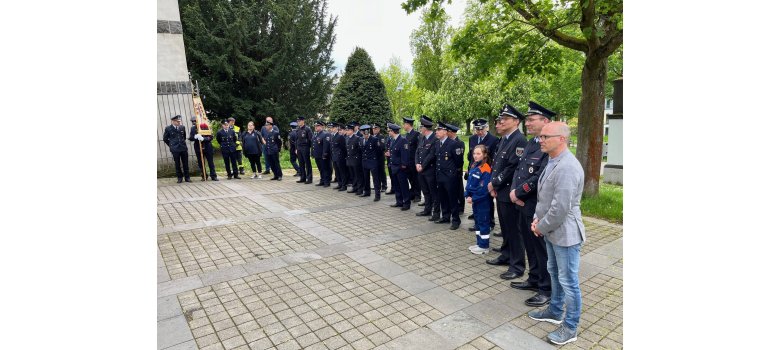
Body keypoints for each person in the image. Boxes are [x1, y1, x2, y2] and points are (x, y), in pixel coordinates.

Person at [527, 121, 586, 346]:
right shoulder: (553, 160)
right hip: (552, 229)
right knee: (554, 271)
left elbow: (561, 207)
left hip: (566, 234)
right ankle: (554, 310)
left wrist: (540, 227)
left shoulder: (568, 166)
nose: (540, 140)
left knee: (569, 280)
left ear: (561, 139)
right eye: (540, 136)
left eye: (545, 137)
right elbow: (545, 197)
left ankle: (570, 327)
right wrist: (536, 218)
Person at [509, 101, 555, 307]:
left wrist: (518, 192)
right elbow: (521, 171)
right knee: (530, 244)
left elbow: (539, 176)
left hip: (536, 204)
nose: (527, 123)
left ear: (545, 121)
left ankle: (546, 289)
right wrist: (514, 193)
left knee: (541, 248)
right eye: (526, 119)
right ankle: (534, 278)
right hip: (523, 204)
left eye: (531, 119)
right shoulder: (532, 142)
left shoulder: (548, 144)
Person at [485, 104, 528, 280]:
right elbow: (497, 164)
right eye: (500, 118)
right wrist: (494, 184)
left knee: (514, 229)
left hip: (509, 189)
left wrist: (495, 183)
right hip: (500, 190)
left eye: (505, 119)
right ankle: (506, 254)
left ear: (516, 121)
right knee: (505, 226)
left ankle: (517, 266)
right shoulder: (505, 138)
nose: (501, 121)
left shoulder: (519, 140)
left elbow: (512, 166)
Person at [467, 118, 498, 229]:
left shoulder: (493, 140)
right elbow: (471, 157)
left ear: (486, 128)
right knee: (475, 196)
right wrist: (469, 170)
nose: (479, 132)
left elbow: (494, 158)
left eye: (481, 129)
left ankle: (490, 222)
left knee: (487, 199)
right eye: (477, 129)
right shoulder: (472, 139)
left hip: (486, 172)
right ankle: (478, 222)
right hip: (475, 172)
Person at [434, 122, 463, 230]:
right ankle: (445, 216)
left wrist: (453, 173)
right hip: (440, 175)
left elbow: (459, 162)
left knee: (452, 198)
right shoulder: (437, 143)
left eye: (439, 130)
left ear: (446, 131)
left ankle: (456, 220)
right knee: (443, 197)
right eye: (436, 130)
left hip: (450, 176)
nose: (436, 132)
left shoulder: (453, 144)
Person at [464, 145, 492, 254]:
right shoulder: (474, 165)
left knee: (483, 222)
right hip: (475, 200)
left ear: (484, 155)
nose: (475, 156)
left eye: (478, 154)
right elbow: (470, 183)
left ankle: (484, 247)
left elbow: (484, 188)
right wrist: (467, 194)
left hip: (482, 201)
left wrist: (473, 197)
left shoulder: (486, 168)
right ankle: (479, 243)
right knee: (478, 222)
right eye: (474, 153)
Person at [415, 116, 438, 219]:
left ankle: (435, 211)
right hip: (421, 170)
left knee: (433, 192)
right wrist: (417, 163)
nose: (420, 129)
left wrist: (422, 166)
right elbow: (417, 152)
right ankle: (427, 209)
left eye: (421, 127)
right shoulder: (421, 137)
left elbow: (431, 155)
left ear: (425, 128)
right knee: (425, 191)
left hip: (430, 170)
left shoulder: (435, 139)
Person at [386, 123, 411, 210]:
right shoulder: (393, 140)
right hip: (394, 166)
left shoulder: (402, 140)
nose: (388, 132)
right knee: (396, 185)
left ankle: (406, 203)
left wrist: (404, 165)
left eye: (389, 131)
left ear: (393, 131)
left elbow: (405, 154)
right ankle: (399, 201)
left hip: (400, 168)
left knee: (403, 186)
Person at [189, 116, 218, 181]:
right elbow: (190, 138)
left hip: (207, 147)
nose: (194, 123)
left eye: (195, 121)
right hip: (198, 147)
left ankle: (213, 175)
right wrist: (195, 137)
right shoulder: (193, 128)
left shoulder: (205, 127)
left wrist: (203, 139)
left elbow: (210, 137)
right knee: (201, 163)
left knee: (210, 162)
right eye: (192, 122)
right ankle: (204, 175)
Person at [163, 115, 191, 183]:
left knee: (185, 163)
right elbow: (165, 138)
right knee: (177, 164)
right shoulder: (168, 128)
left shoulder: (182, 127)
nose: (179, 122)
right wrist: (171, 145)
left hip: (183, 148)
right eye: (177, 121)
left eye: (179, 121)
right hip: (175, 149)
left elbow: (183, 137)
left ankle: (187, 177)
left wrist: (181, 143)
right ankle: (179, 177)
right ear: (173, 121)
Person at [359, 124, 382, 201]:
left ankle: (377, 195)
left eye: (366, 134)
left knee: (376, 179)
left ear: (368, 133)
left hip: (373, 161)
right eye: (363, 134)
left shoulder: (374, 139)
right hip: (365, 161)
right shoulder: (361, 139)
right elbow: (362, 151)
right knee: (366, 178)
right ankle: (367, 192)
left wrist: (376, 161)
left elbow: (379, 151)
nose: (364, 136)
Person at [447, 124, 466, 214]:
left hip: (457, 170)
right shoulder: (448, 142)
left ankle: (461, 207)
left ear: (451, 132)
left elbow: (459, 158)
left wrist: (457, 169)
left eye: (447, 131)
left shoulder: (460, 143)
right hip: (449, 172)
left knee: (459, 190)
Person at [402, 117, 421, 202]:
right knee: (411, 179)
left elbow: (418, 149)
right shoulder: (406, 135)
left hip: (414, 161)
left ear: (408, 125)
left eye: (404, 124)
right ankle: (413, 193)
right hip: (408, 161)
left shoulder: (416, 134)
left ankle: (418, 195)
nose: (403, 126)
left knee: (416, 179)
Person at [294, 116, 314, 184]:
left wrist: (311, 149)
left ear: (303, 121)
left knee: (307, 163)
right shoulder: (297, 129)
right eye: (298, 121)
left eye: (299, 121)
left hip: (305, 148)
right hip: (299, 148)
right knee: (301, 163)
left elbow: (311, 140)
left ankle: (309, 178)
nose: (298, 122)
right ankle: (303, 177)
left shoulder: (307, 129)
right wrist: (296, 148)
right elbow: (296, 140)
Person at [345, 122, 363, 194]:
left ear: (352, 131)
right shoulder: (347, 138)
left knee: (358, 175)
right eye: (346, 130)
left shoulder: (357, 138)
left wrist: (358, 158)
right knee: (353, 175)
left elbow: (359, 150)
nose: (346, 131)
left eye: (348, 130)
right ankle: (354, 187)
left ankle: (360, 189)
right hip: (350, 159)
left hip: (356, 160)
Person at [312, 120, 332, 187]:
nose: (316, 127)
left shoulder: (325, 134)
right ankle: (322, 180)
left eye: (317, 126)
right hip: (317, 155)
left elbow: (326, 146)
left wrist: (325, 154)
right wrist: (312, 153)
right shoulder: (316, 134)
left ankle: (327, 181)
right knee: (320, 169)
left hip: (323, 155)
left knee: (325, 169)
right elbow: (314, 145)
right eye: (315, 126)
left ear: (322, 126)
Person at [331, 123, 348, 191]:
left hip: (340, 157)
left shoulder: (340, 136)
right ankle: (339, 184)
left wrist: (343, 156)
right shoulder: (333, 136)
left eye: (333, 128)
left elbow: (343, 148)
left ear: (336, 128)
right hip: (334, 156)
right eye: (331, 128)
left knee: (342, 172)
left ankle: (344, 185)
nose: (331, 129)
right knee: (337, 172)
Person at [373, 124, 388, 193]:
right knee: (376, 172)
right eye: (373, 129)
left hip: (380, 157)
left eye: (375, 129)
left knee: (381, 172)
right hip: (374, 158)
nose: (374, 130)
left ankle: (384, 186)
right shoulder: (373, 137)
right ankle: (377, 186)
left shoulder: (381, 137)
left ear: (378, 129)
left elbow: (383, 147)